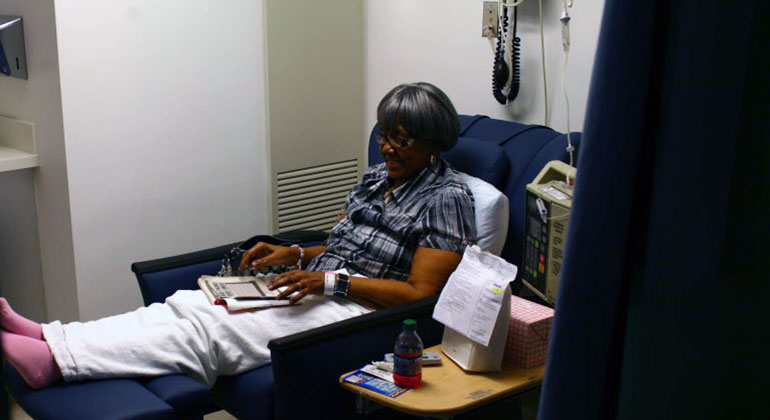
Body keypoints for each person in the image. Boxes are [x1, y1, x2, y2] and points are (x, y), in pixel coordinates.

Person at [0, 82, 476, 390]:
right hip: (315, 287)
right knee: (191, 305)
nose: (389, 148)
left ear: (435, 142)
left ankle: (57, 364)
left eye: (402, 140)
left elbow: (422, 294)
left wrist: (331, 284)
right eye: (384, 136)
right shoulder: (377, 178)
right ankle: (51, 335)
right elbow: (340, 243)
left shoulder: (447, 197)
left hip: (358, 311)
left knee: (212, 331)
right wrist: (293, 252)